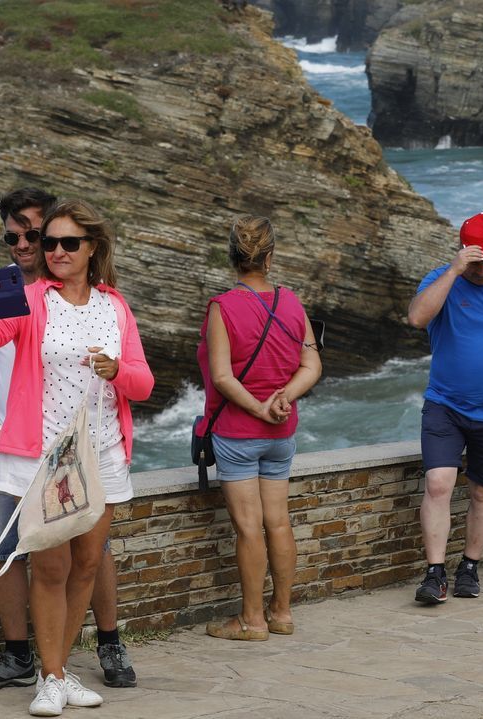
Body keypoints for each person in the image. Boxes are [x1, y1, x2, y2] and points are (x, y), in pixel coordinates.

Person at [0, 200, 155, 716]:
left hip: (105, 452)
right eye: (50, 243)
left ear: (93, 248)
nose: (57, 251)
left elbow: (144, 382)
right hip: (45, 455)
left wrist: (117, 371)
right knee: (51, 565)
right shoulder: (29, 299)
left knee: (87, 563)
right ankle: (49, 677)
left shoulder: (117, 307)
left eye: (70, 243)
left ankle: (60, 669)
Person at [196, 216, 322, 640]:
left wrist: (259, 408)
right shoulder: (292, 302)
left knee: (249, 529)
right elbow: (312, 365)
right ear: (269, 258)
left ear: (233, 257)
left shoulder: (222, 307)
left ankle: (251, 621)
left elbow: (222, 377)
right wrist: (283, 399)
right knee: (279, 523)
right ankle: (282, 614)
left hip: (237, 432)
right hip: (281, 435)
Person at [407, 212, 483, 605]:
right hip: (446, 403)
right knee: (439, 483)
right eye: (476, 262)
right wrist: (454, 271)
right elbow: (416, 317)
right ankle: (434, 572)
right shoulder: (443, 280)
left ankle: (470, 566)